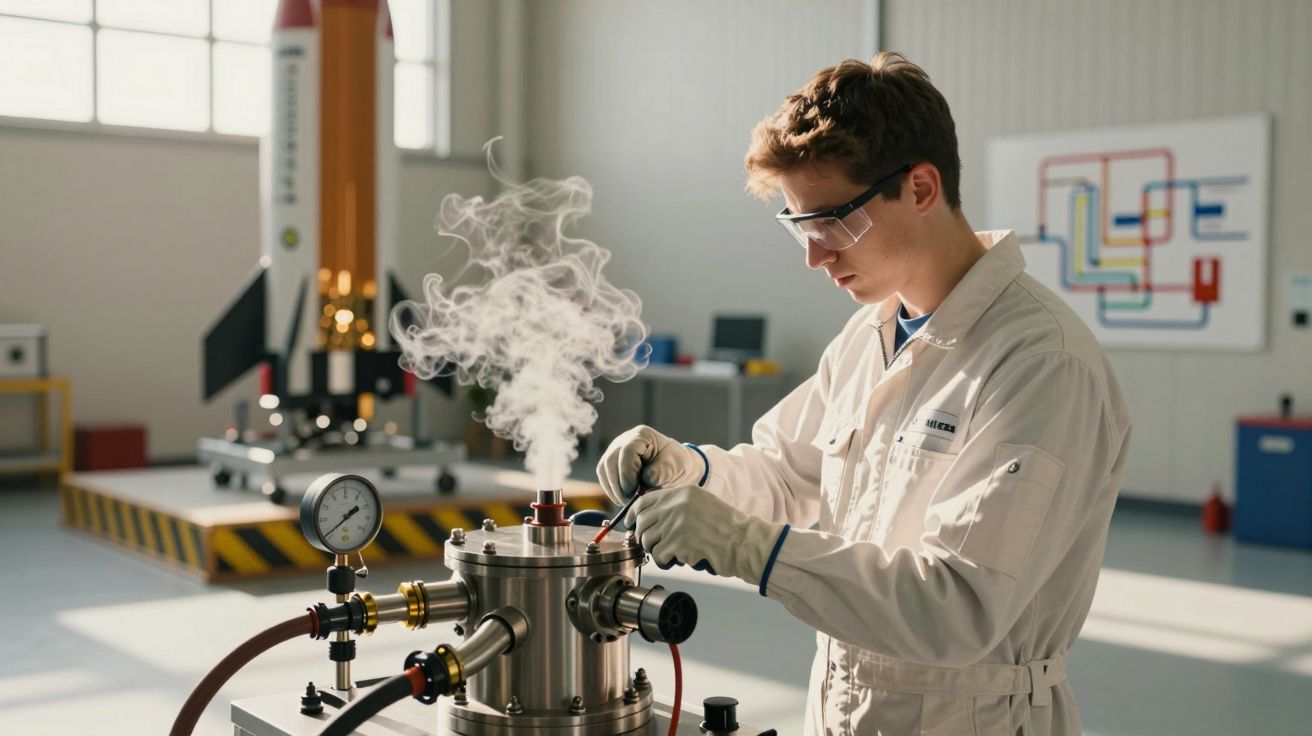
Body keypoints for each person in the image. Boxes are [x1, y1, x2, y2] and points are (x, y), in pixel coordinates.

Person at [597, 52, 1131, 735]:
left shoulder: (1041, 362)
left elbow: (959, 606)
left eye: (833, 222)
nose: (815, 256)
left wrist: (751, 549)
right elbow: (789, 471)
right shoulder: (868, 336)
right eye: (800, 226)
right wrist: (692, 470)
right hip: (845, 706)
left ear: (921, 188)